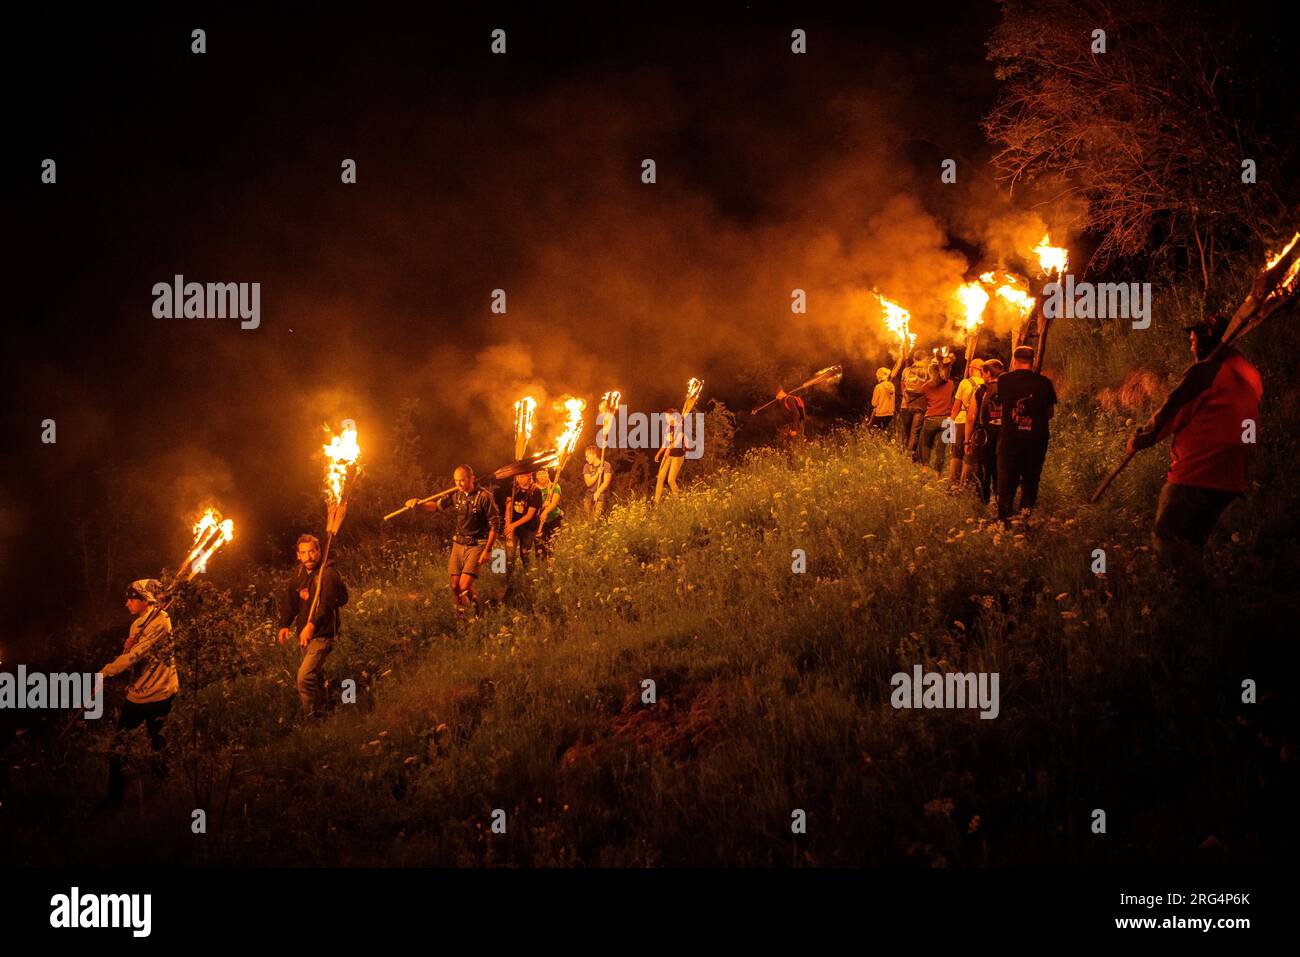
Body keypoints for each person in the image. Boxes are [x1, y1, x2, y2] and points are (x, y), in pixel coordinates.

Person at [1127, 315, 1263, 584]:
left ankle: (1196, 602)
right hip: (1234, 474)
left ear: (1207, 339)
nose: (1191, 347)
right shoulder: (1248, 371)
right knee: (1191, 541)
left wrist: (1140, 439)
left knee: (1167, 537)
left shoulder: (1206, 372)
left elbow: (1173, 410)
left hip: (1201, 469)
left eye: (1193, 341)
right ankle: (1196, 601)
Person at [99, 579, 179, 807]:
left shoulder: (162, 622)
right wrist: (128, 645)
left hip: (160, 693)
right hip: (137, 694)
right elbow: (132, 654)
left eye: (131, 598)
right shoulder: (137, 625)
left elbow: (137, 656)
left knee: (157, 744)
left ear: (146, 600)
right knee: (117, 745)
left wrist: (107, 670)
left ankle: (163, 796)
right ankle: (114, 799)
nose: (126, 603)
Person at [406, 465, 501, 617]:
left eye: (462, 480)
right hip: (458, 543)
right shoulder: (455, 495)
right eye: (456, 481)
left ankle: (478, 614)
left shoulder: (484, 496)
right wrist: (419, 504)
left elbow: (495, 525)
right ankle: (462, 616)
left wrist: (488, 550)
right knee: (455, 586)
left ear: (471, 478)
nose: (459, 484)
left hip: (477, 545)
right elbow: (435, 507)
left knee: (464, 586)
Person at [277, 533, 349, 718]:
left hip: (322, 633)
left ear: (319, 551)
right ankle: (327, 711)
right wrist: (285, 624)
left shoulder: (328, 573)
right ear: (298, 555)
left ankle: (311, 719)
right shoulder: (299, 573)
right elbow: (290, 601)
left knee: (304, 677)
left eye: (312, 551)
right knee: (317, 678)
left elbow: (326, 605)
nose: (308, 557)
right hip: (305, 634)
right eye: (303, 552)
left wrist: (312, 624)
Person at [996, 345, 1057, 522]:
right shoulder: (1045, 383)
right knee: (1031, 481)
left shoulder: (1004, 380)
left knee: (1006, 481)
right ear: (1033, 361)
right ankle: (1024, 520)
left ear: (1014, 360)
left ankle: (1004, 523)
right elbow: (1050, 413)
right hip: (1036, 441)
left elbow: (1002, 404)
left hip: (1010, 440)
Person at [970, 358, 1004, 505]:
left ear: (988, 373)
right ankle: (999, 499)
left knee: (983, 470)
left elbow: (971, 417)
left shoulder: (980, 391)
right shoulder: (1008, 389)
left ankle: (983, 502)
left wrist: (967, 440)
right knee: (999, 469)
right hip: (1003, 436)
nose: (982, 376)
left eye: (983, 373)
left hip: (984, 437)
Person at [948, 358, 985, 487]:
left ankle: (953, 483)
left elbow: (956, 407)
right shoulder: (986, 383)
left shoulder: (965, 383)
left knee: (957, 453)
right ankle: (967, 484)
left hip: (961, 420)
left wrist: (950, 427)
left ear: (973, 369)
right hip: (977, 423)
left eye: (970, 367)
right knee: (970, 455)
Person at [914, 357, 955, 472]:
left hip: (931, 418)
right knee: (941, 448)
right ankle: (938, 474)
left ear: (929, 372)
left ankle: (925, 468)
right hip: (947, 419)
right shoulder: (951, 384)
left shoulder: (925, 387)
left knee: (926, 444)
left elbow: (924, 403)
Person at [504, 471, 542, 568]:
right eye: (518, 477)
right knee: (510, 555)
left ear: (529, 476)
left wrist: (512, 525)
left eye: (522, 476)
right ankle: (509, 580)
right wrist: (508, 525)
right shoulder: (512, 488)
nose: (519, 479)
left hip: (528, 527)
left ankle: (528, 577)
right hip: (513, 527)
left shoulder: (536, 491)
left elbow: (529, 515)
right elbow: (508, 508)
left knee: (524, 553)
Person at [653, 410, 690, 504]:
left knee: (670, 480)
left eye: (668, 417)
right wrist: (659, 453)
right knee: (660, 478)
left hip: (677, 456)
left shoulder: (681, 428)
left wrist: (669, 449)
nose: (666, 419)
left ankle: (679, 502)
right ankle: (656, 503)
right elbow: (666, 443)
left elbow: (677, 442)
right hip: (668, 455)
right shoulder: (668, 428)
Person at [898, 349, 929, 453]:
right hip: (920, 405)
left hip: (905, 404)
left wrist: (906, 398)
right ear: (924, 359)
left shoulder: (906, 371)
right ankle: (910, 456)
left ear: (914, 359)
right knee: (914, 433)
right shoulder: (927, 371)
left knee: (905, 431)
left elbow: (902, 386)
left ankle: (903, 452)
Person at [534, 467, 563, 558]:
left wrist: (546, 511)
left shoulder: (555, 486)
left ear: (547, 474)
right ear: (536, 476)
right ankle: (541, 568)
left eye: (543, 473)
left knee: (551, 546)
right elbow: (532, 506)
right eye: (539, 474)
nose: (541, 476)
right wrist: (542, 506)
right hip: (538, 522)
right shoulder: (533, 489)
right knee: (539, 547)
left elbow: (554, 503)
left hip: (553, 519)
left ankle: (551, 567)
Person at [582, 444, 614, 518]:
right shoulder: (586, 466)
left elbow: (606, 482)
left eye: (587, 456)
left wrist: (598, 491)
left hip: (601, 496)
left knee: (596, 519)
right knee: (587, 519)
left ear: (594, 455)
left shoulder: (606, 465)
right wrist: (597, 473)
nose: (586, 459)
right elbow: (588, 483)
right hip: (588, 496)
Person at [869, 367, 895, 433]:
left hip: (880, 415)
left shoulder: (878, 387)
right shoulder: (892, 386)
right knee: (886, 434)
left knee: (876, 435)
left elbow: (874, 403)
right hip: (890, 415)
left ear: (879, 376)